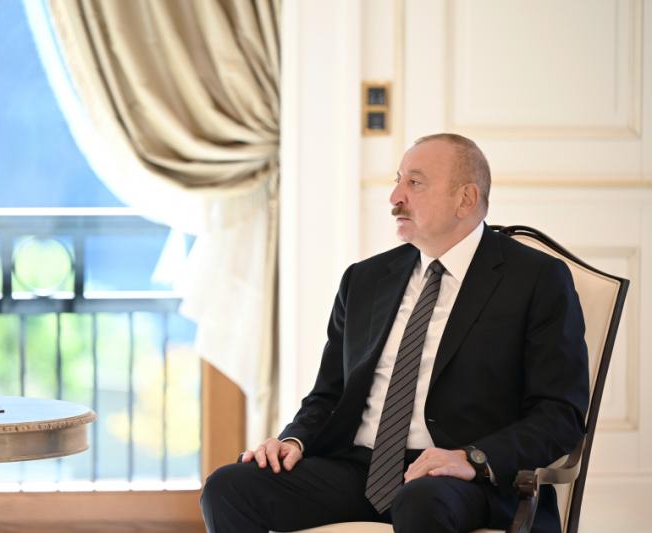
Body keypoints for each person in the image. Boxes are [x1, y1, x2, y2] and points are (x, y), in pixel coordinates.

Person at [200, 133, 589, 533]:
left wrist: (472, 458)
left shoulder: (536, 279)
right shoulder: (364, 279)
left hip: (463, 480)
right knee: (228, 487)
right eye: (397, 180)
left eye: (415, 183)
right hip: (359, 469)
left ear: (466, 199)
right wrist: (293, 441)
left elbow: (560, 414)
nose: (395, 197)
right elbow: (329, 395)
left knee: (420, 501)